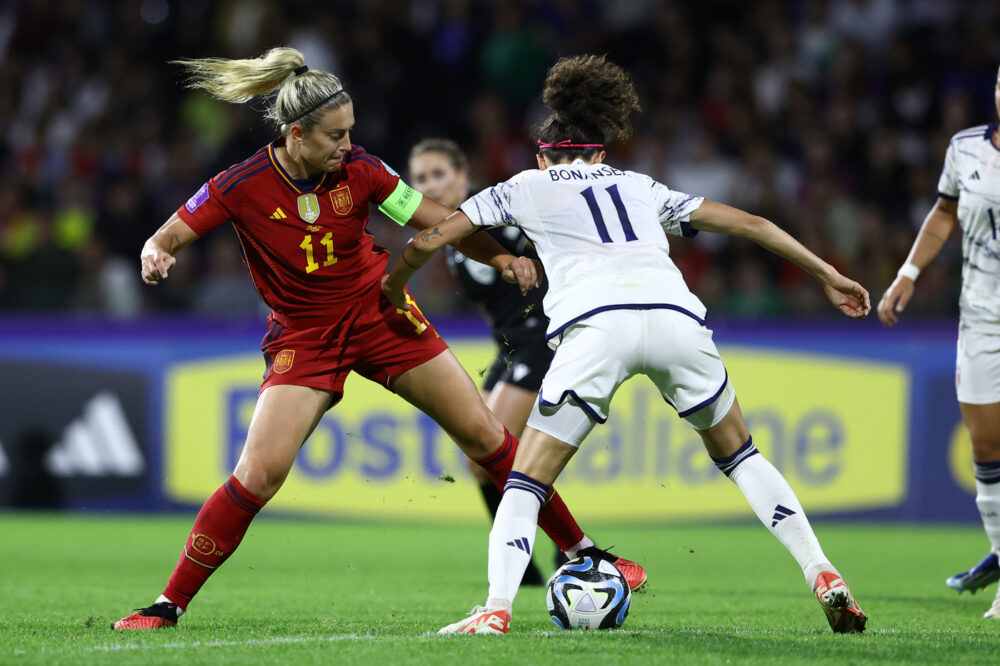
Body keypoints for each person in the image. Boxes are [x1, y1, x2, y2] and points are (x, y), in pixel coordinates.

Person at [112, 47, 645, 630]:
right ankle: (167, 605)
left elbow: (437, 221)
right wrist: (155, 252)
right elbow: (168, 234)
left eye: (350, 133)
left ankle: (585, 551)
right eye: (335, 136)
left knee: (485, 435)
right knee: (259, 474)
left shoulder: (361, 170)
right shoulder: (240, 185)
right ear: (296, 134)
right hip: (306, 336)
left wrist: (499, 257)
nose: (346, 146)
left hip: (382, 316)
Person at [383, 54, 871, 635]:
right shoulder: (641, 186)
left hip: (596, 328)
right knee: (742, 456)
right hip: (677, 321)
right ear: (600, 152)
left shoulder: (526, 185)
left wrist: (393, 284)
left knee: (525, 481)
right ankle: (822, 571)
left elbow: (429, 239)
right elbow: (754, 225)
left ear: (545, 154)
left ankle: (495, 610)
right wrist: (827, 273)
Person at [878, 67, 1000, 620]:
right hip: (980, 318)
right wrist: (908, 272)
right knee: (986, 446)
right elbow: (945, 210)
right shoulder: (966, 148)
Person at [409, 138, 557, 587]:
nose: (429, 184)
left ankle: (564, 552)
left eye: (438, 174)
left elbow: (550, 236)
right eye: (420, 178)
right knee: (480, 459)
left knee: (500, 450)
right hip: (509, 345)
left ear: (462, 174)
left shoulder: (496, 210)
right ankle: (530, 567)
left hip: (542, 339)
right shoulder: (450, 234)